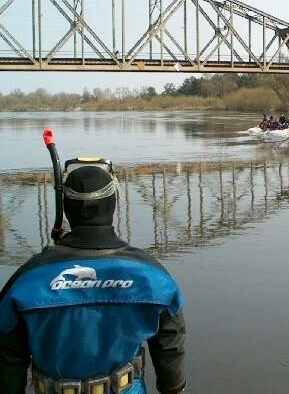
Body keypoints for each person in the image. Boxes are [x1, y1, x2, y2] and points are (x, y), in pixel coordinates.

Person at [0, 158, 186, 394]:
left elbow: (7, 354)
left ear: (65, 207)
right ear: (113, 204)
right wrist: (173, 387)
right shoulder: (153, 277)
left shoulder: (28, 279)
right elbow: (170, 344)